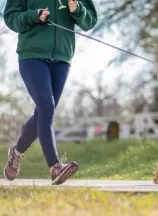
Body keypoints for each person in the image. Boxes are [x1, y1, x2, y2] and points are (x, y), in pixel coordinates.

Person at [3, 0, 97, 185]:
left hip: (62, 58)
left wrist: (78, 10)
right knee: (47, 107)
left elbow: (90, 21)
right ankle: (55, 167)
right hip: (32, 56)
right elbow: (11, 18)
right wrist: (33, 15)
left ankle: (17, 152)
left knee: (43, 112)